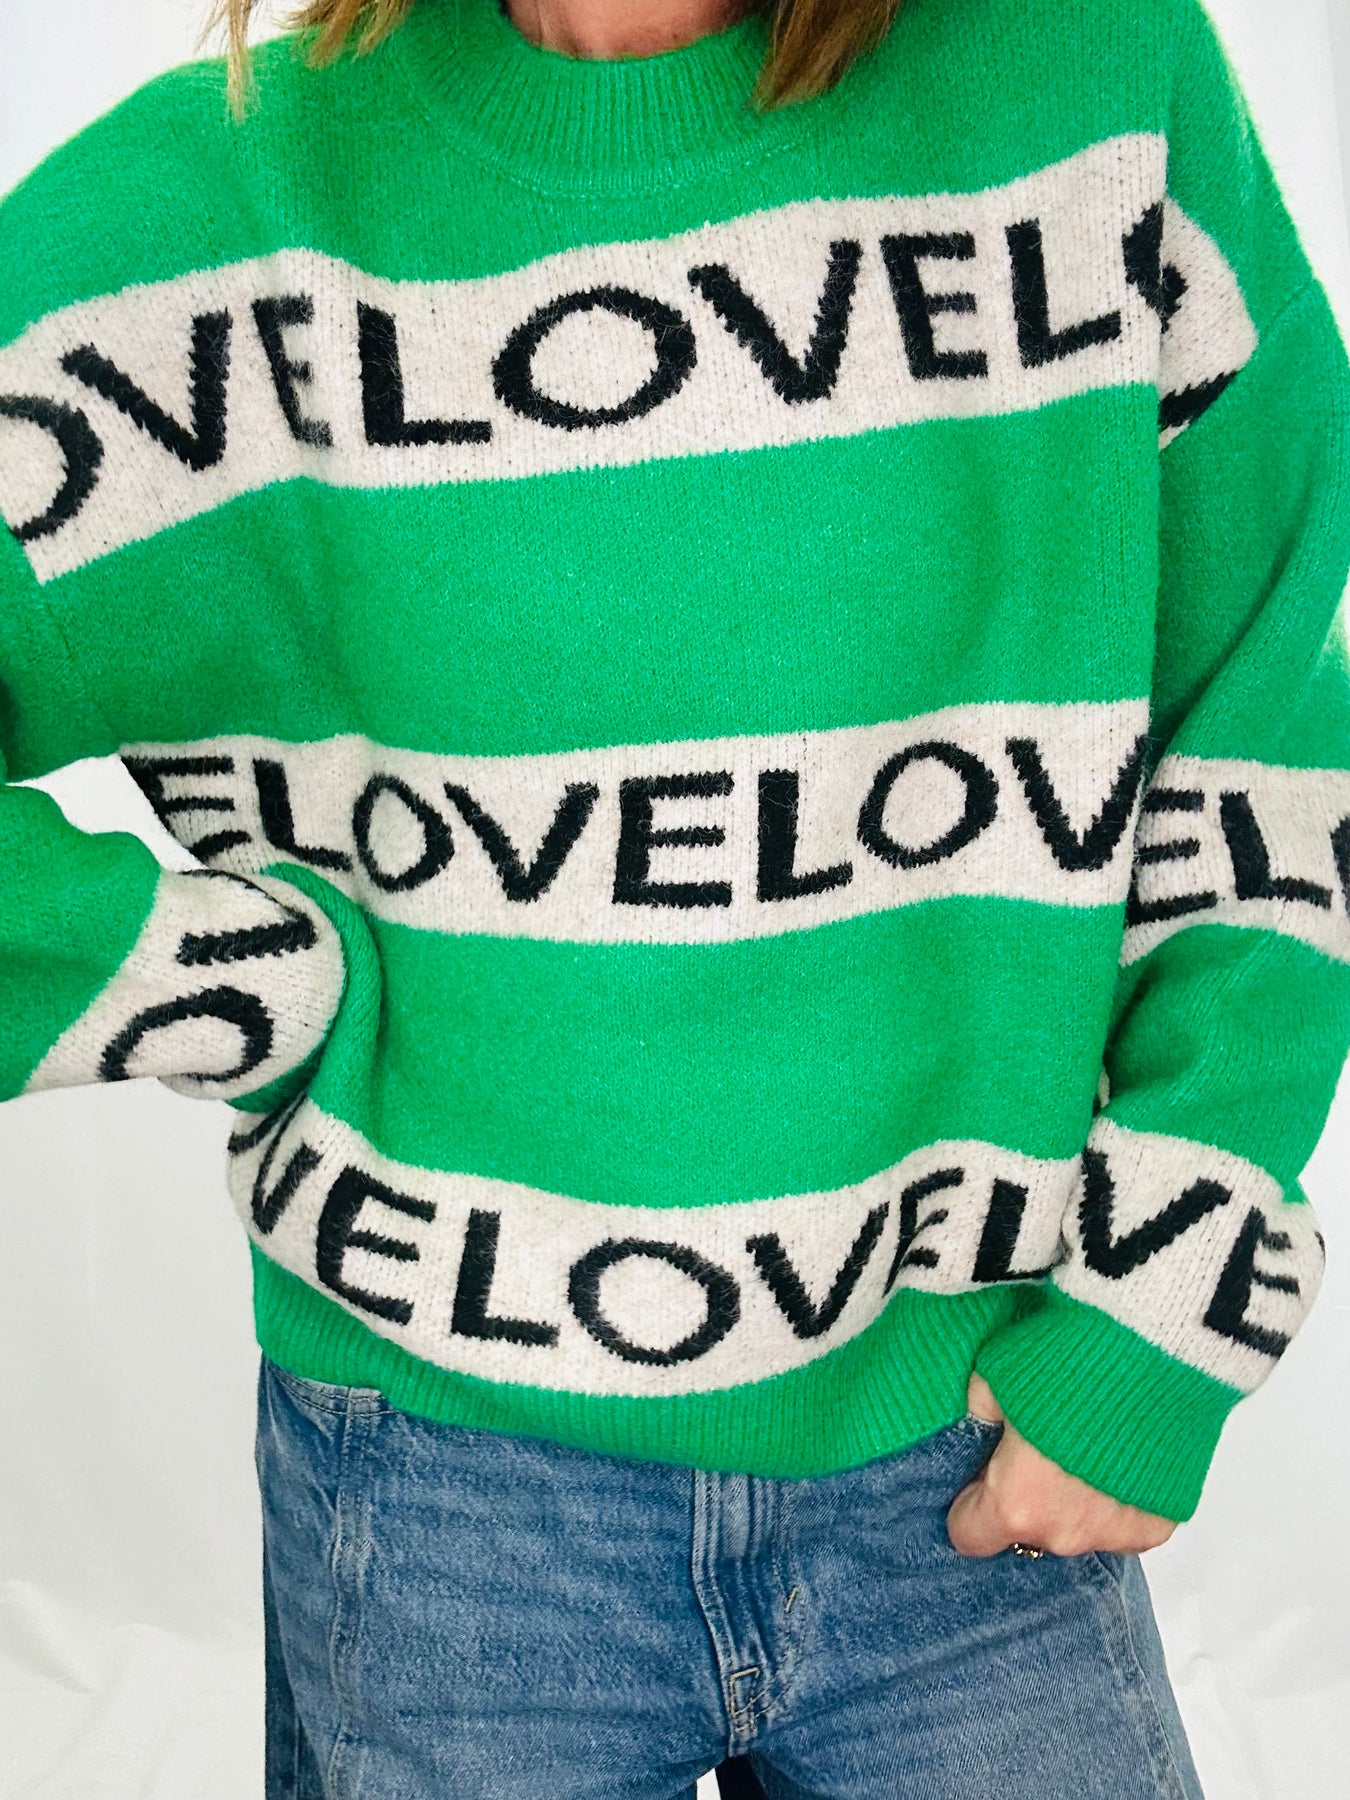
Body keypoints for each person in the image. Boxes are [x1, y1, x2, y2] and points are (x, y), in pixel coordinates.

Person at [1, 0, 1347, 1792]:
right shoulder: (205, 223)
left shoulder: (1086, 81)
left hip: (967, 1449)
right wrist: (230, 980)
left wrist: (1158, 1324)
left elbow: (1272, 705)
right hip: (448, 1499)